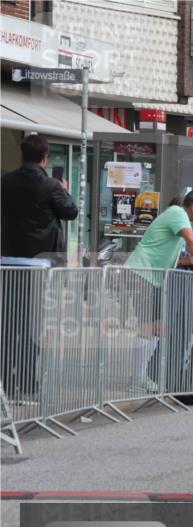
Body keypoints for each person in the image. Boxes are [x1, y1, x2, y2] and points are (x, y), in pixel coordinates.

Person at [1, 134, 80, 399]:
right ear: (45, 158)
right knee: (32, 327)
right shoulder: (50, 185)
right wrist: (64, 188)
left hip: (6, 264)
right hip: (38, 265)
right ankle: (25, 383)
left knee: (9, 324)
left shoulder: (5, 182)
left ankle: (5, 384)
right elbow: (71, 212)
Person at [123, 188, 193, 394]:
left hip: (150, 276)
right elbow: (192, 241)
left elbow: (190, 248)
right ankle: (136, 378)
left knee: (155, 326)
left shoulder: (178, 216)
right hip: (142, 273)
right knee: (148, 326)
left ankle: (140, 376)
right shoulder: (177, 213)